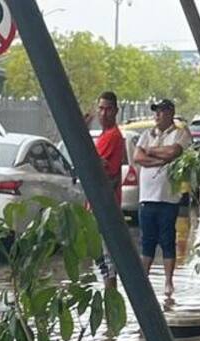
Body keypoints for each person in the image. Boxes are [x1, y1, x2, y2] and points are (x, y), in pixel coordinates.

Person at [134, 98, 192, 299]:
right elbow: (137, 157)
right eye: (155, 112)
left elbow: (174, 152)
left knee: (168, 239)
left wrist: (150, 151)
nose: (157, 115)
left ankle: (168, 281)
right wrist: (159, 157)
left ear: (170, 112)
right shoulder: (146, 135)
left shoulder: (180, 133)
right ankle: (144, 280)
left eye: (160, 111)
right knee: (147, 240)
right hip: (147, 197)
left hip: (168, 197)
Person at [86, 90, 125, 292]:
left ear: (115, 111)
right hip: (99, 206)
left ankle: (112, 305)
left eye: (108, 109)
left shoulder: (112, 137)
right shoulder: (104, 136)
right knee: (102, 262)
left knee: (107, 263)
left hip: (105, 208)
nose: (104, 113)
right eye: (101, 108)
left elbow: (96, 166)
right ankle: (111, 308)